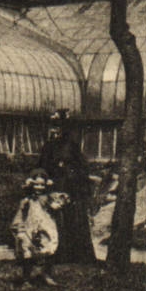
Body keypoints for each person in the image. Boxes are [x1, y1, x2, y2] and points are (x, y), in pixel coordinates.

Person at [37, 110, 98, 263]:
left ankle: (74, 254)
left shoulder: (72, 146)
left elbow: (81, 167)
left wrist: (71, 172)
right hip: (53, 186)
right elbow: (41, 167)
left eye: (58, 127)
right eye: (53, 127)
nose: (55, 131)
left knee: (72, 218)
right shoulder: (48, 147)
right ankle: (55, 252)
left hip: (71, 187)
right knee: (54, 218)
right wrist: (44, 178)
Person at [11, 169, 66, 286]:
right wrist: (19, 225)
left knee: (49, 249)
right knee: (28, 251)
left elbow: (60, 201)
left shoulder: (48, 198)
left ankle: (46, 274)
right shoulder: (27, 200)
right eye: (36, 184)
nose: (39, 187)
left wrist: (57, 205)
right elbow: (21, 213)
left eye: (42, 185)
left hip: (46, 226)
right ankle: (26, 278)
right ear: (31, 184)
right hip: (30, 227)